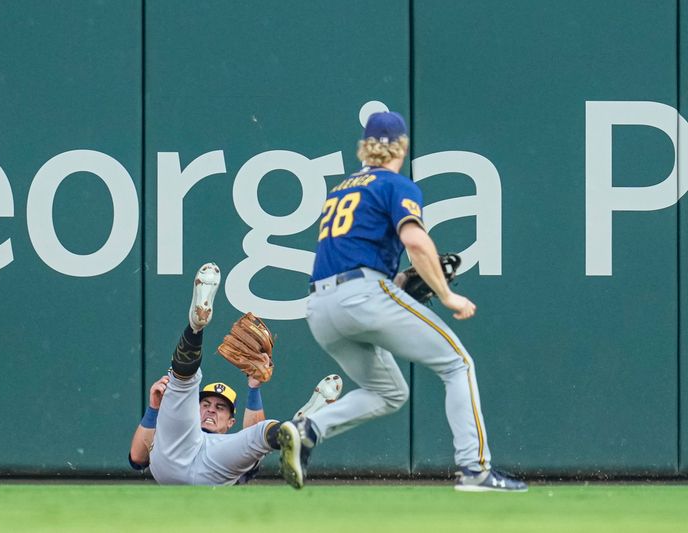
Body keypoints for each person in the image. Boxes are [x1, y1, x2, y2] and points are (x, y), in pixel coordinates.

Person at [277, 112, 527, 492]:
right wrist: (445, 293)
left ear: (364, 147)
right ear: (403, 147)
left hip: (320, 308)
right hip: (362, 295)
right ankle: (475, 471)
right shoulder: (395, 184)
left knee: (389, 392)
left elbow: (352, 254)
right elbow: (415, 241)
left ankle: (308, 428)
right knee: (457, 364)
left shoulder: (341, 190)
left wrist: (401, 281)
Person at [128, 262, 342, 485]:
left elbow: (249, 437)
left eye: (220, 407)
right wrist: (154, 409)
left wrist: (254, 388)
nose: (211, 409)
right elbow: (137, 458)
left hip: (216, 464)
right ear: (194, 409)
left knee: (259, 435)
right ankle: (196, 326)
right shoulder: (179, 428)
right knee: (182, 384)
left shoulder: (229, 442)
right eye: (206, 404)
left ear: (230, 422)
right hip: (177, 453)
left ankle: (294, 430)